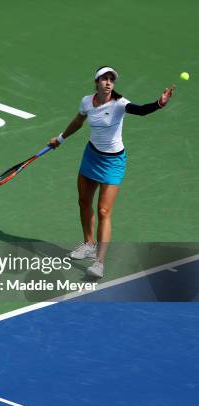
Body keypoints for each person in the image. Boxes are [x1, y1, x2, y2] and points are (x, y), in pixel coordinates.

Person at [49, 66, 174, 278]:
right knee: (83, 202)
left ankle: (99, 262)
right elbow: (78, 122)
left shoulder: (119, 104)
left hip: (113, 162)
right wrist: (60, 138)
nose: (108, 82)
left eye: (111, 80)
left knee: (104, 211)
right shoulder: (86, 102)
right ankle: (88, 243)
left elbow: (141, 110)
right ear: (96, 82)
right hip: (91, 156)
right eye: (104, 79)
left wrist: (159, 103)